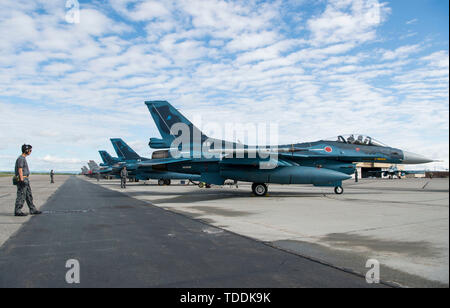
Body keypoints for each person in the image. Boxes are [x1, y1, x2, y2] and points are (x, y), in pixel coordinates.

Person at [14, 144, 42, 217]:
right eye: (30, 150)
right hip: (22, 178)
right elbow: (20, 169)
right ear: (26, 150)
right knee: (21, 195)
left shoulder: (23, 158)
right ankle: (17, 210)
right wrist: (22, 180)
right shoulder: (21, 158)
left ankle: (32, 209)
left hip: (25, 178)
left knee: (28, 195)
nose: (30, 151)